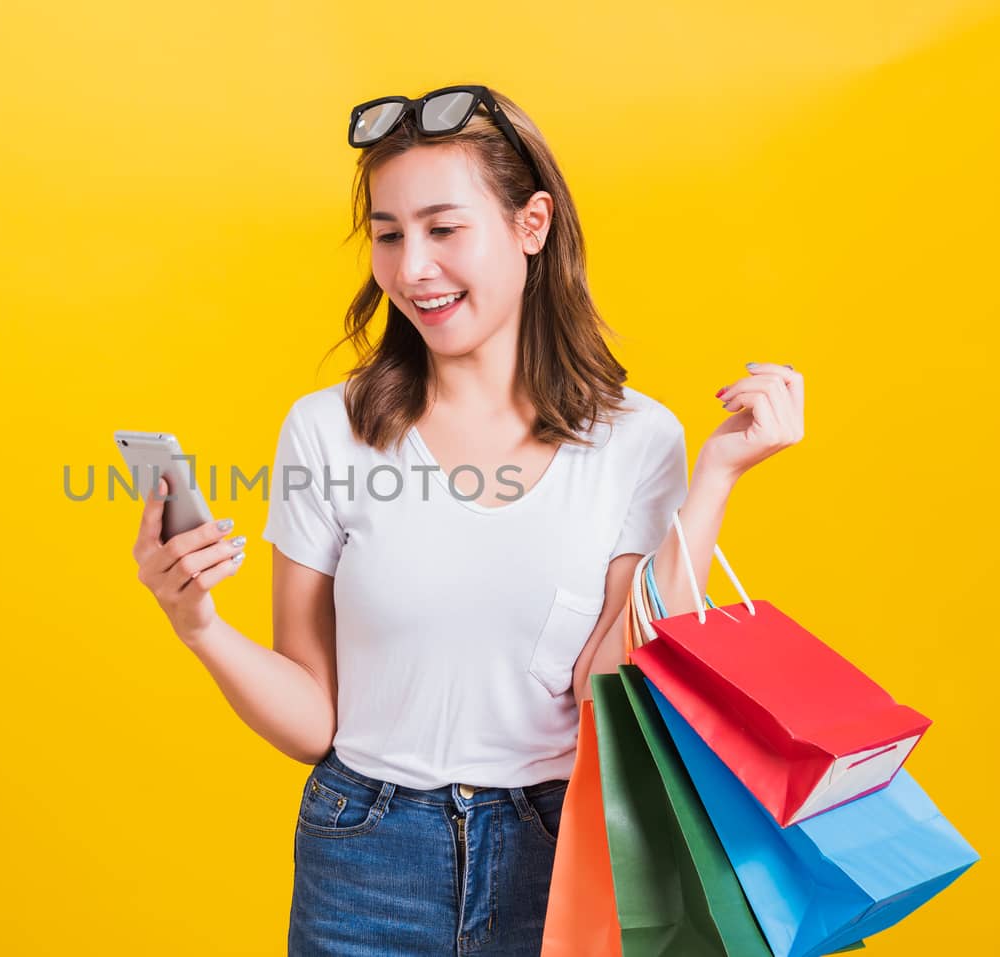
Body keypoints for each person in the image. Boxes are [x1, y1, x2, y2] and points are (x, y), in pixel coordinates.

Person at [131, 84, 805, 957]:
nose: (412, 268)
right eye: (388, 234)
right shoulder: (327, 429)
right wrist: (196, 621)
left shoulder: (638, 439)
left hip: (560, 849)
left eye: (444, 230)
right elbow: (314, 722)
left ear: (533, 224)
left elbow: (612, 688)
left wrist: (711, 483)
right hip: (365, 853)